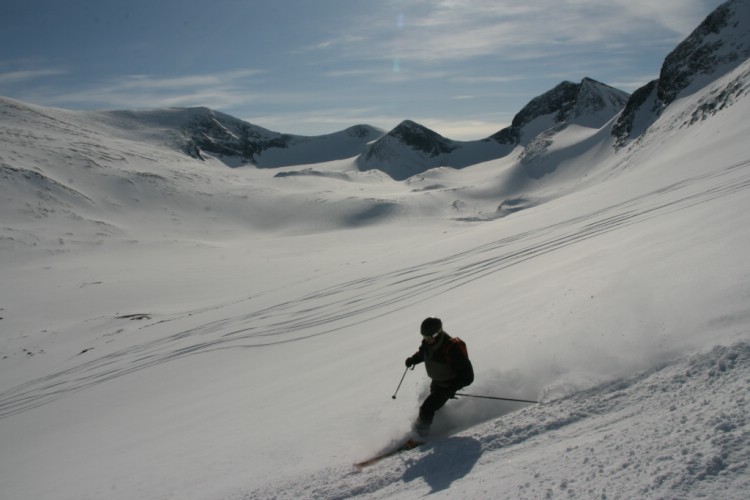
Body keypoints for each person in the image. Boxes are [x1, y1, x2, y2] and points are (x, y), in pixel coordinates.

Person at [405, 317, 474, 436]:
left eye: (428, 337)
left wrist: (451, 388)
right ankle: (443, 426)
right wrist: (413, 360)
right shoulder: (428, 343)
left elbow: (468, 376)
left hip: (447, 385)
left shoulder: (452, 348)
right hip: (437, 382)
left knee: (426, 409)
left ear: (437, 334)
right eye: (424, 337)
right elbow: (423, 353)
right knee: (435, 406)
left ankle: (420, 436)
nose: (426, 340)